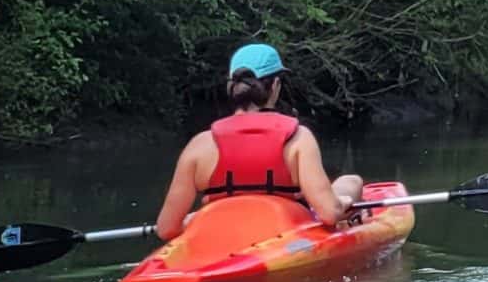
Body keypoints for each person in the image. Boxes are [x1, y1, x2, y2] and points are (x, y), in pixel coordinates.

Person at [153, 43, 364, 241]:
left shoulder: (199, 145)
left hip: (220, 233)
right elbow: (328, 214)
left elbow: (166, 228)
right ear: (276, 85)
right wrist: (343, 204)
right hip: (283, 232)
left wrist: (195, 222)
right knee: (352, 182)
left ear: (231, 88)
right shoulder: (298, 138)